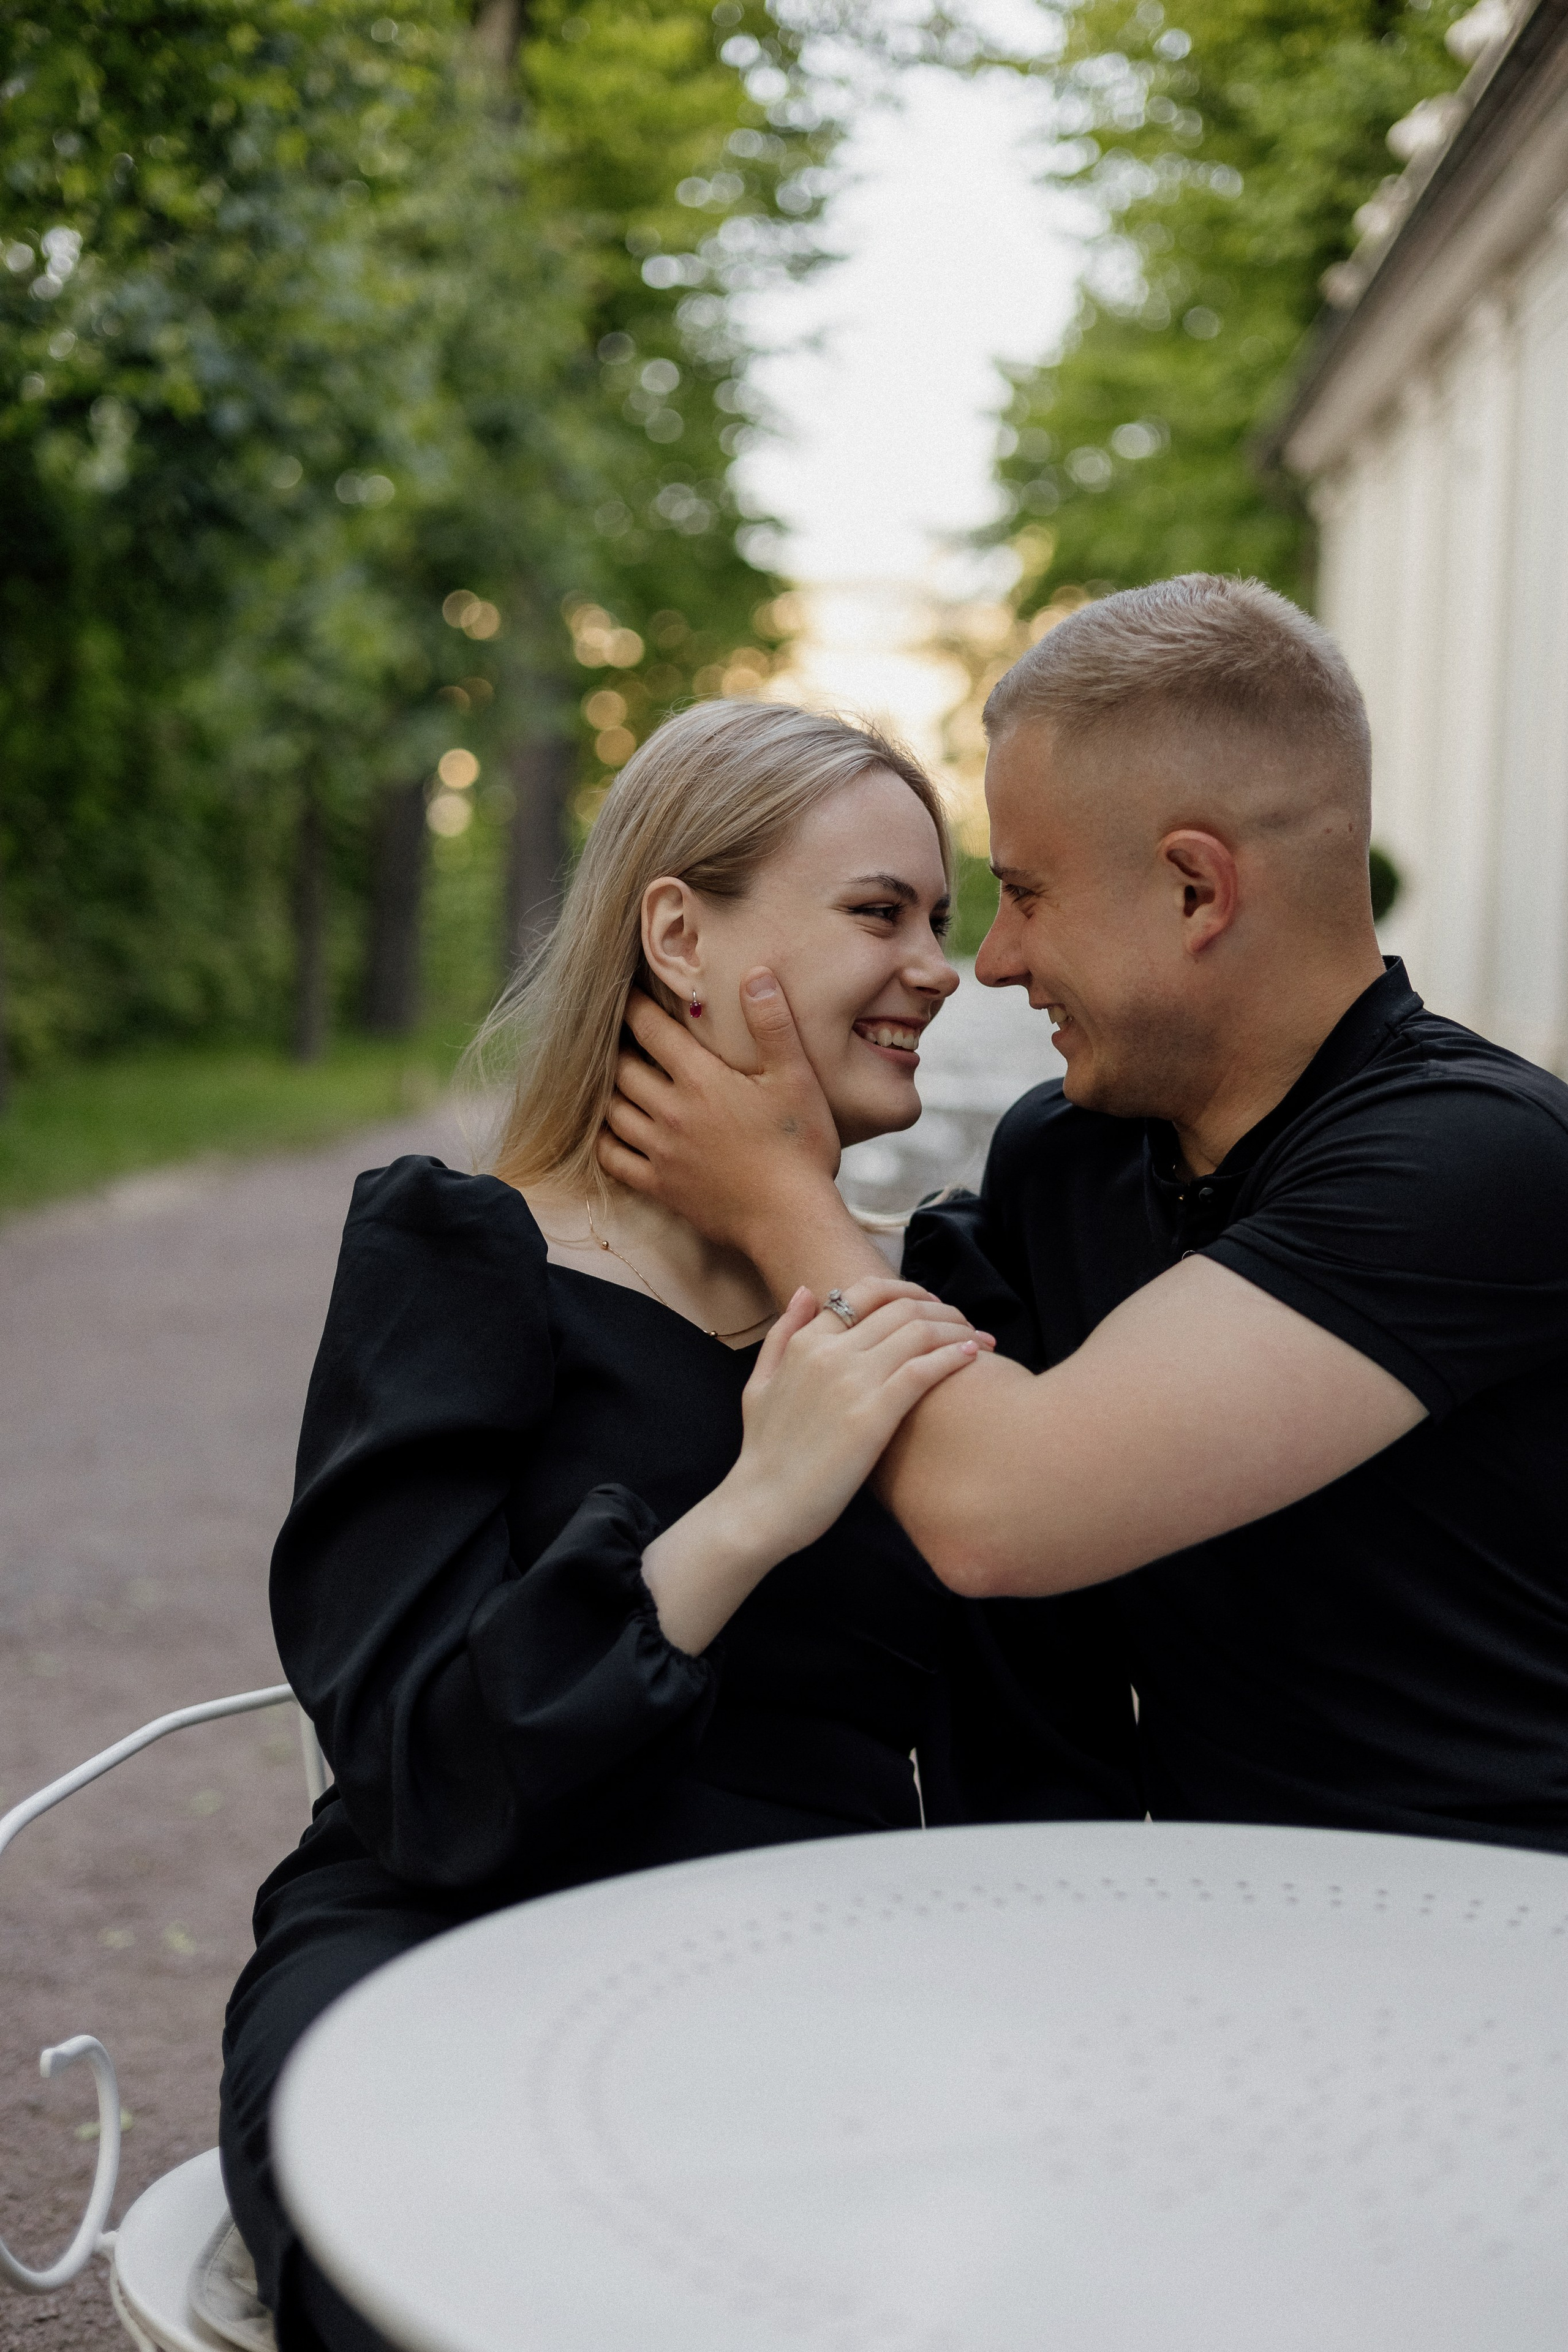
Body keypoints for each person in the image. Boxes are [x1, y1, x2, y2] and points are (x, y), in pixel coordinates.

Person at [219, 699, 1138, 2352]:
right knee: (471, 2275)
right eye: (880, 913)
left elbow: (1037, 1756)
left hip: (819, 1982)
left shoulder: (937, 1294)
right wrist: (754, 1510)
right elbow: (420, 1775)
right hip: (442, 1953)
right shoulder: (460, 1262)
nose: (941, 966)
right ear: (676, 932)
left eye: (940, 917)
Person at [601, 575, 1568, 1856]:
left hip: (1500, 1931)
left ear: (1194, 891)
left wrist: (777, 1193)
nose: (991, 961)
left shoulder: (1478, 1160)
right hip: (1175, 1919)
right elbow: (1021, 1672)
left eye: (1028, 893)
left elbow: (996, 1517)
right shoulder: (1064, 1163)